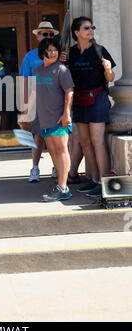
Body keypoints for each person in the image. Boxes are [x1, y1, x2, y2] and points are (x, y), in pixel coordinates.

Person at [68, 17, 116, 198]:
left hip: (97, 98)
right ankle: (95, 181)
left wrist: (108, 69)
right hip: (79, 100)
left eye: (92, 27)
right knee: (85, 143)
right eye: (86, 28)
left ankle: (105, 183)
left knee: (97, 141)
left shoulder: (99, 50)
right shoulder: (71, 53)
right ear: (77, 32)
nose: (90, 30)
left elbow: (110, 78)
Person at [34, 37, 74, 201]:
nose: (52, 53)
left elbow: (69, 91)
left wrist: (66, 113)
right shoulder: (37, 71)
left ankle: (63, 187)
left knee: (61, 150)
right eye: (49, 50)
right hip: (44, 119)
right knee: (53, 152)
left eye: (55, 50)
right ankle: (61, 185)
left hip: (59, 119)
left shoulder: (62, 70)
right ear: (42, 53)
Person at [18, 21, 59, 182]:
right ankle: (35, 168)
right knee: (38, 136)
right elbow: (25, 81)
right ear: (37, 36)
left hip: (56, 102)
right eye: (44, 33)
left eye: (50, 34)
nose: (47, 36)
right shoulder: (30, 56)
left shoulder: (58, 53)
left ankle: (57, 167)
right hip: (37, 101)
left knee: (56, 136)